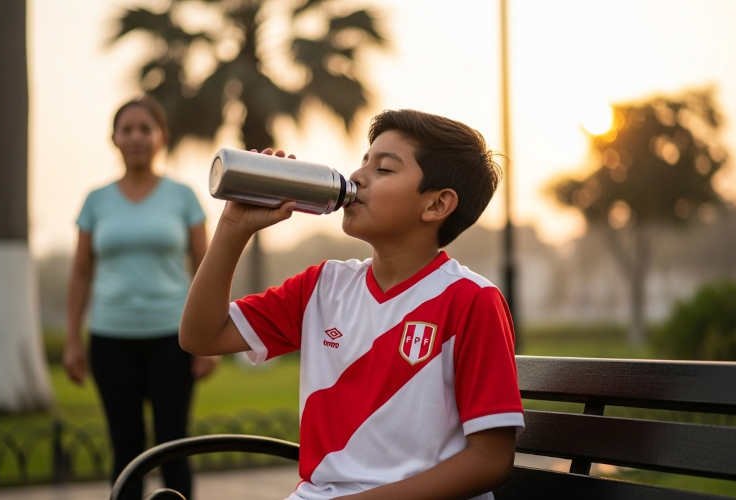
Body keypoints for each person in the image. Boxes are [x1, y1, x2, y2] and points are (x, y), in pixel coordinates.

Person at [180, 109, 525, 499]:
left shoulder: (470, 300)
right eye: (364, 161)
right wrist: (233, 228)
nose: (358, 177)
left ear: (436, 205)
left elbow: (490, 460)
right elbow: (201, 335)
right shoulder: (323, 286)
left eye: (385, 169)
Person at [63, 96, 217, 500]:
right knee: (125, 447)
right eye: (127, 129)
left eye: (145, 129)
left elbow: (206, 268)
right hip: (111, 339)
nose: (136, 137)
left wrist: (209, 342)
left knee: (173, 445)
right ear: (114, 138)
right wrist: (73, 340)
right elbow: (80, 273)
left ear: (160, 137)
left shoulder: (182, 197)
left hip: (173, 337)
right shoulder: (96, 201)